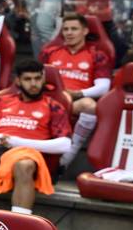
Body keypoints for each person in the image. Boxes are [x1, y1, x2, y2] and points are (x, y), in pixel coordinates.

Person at [0, 58, 72, 214]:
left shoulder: (53, 106)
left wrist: (17, 142)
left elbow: (65, 144)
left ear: (43, 79)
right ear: (18, 81)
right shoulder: (1, 100)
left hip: (28, 152)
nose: (33, 84)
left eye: (37, 78)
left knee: (24, 165)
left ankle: (19, 224)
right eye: (28, 79)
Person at [39, 13, 112, 167]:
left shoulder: (97, 55)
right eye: (65, 29)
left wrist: (77, 94)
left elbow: (104, 87)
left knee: (90, 106)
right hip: (48, 99)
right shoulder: (49, 52)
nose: (69, 33)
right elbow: (33, 77)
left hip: (75, 101)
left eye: (74, 29)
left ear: (85, 31)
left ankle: (67, 157)